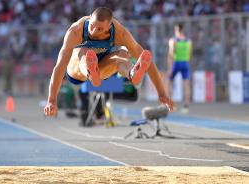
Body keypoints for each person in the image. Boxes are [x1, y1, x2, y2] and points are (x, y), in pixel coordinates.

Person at [44, 7, 174, 117]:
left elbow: (149, 64)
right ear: (89, 18)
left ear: (109, 26)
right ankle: (90, 70)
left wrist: (162, 93)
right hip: (76, 70)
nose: (93, 31)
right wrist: (51, 100)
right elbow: (60, 66)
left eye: (99, 29)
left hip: (101, 69)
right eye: (92, 25)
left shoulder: (120, 33)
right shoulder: (76, 31)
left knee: (121, 55)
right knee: (83, 52)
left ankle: (132, 74)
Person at [167, 23, 192, 113]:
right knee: (186, 84)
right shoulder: (188, 41)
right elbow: (189, 54)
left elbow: (171, 54)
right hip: (185, 63)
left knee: (169, 81)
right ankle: (186, 106)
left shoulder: (173, 40)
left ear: (177, 30)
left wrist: (170, 67)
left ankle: (171, 105)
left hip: (176, 62)